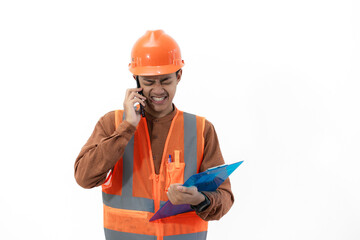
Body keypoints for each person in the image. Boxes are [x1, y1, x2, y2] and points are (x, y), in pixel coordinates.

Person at [74, 30, 234, 240]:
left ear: (179, 76)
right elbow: (84, 177)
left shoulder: (201, 129)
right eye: (149, 82)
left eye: (165, 80)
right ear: (136, 79)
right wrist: (127, 127)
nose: (158, 90)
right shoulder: (112, 124)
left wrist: (199, 198)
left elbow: (224, 197)